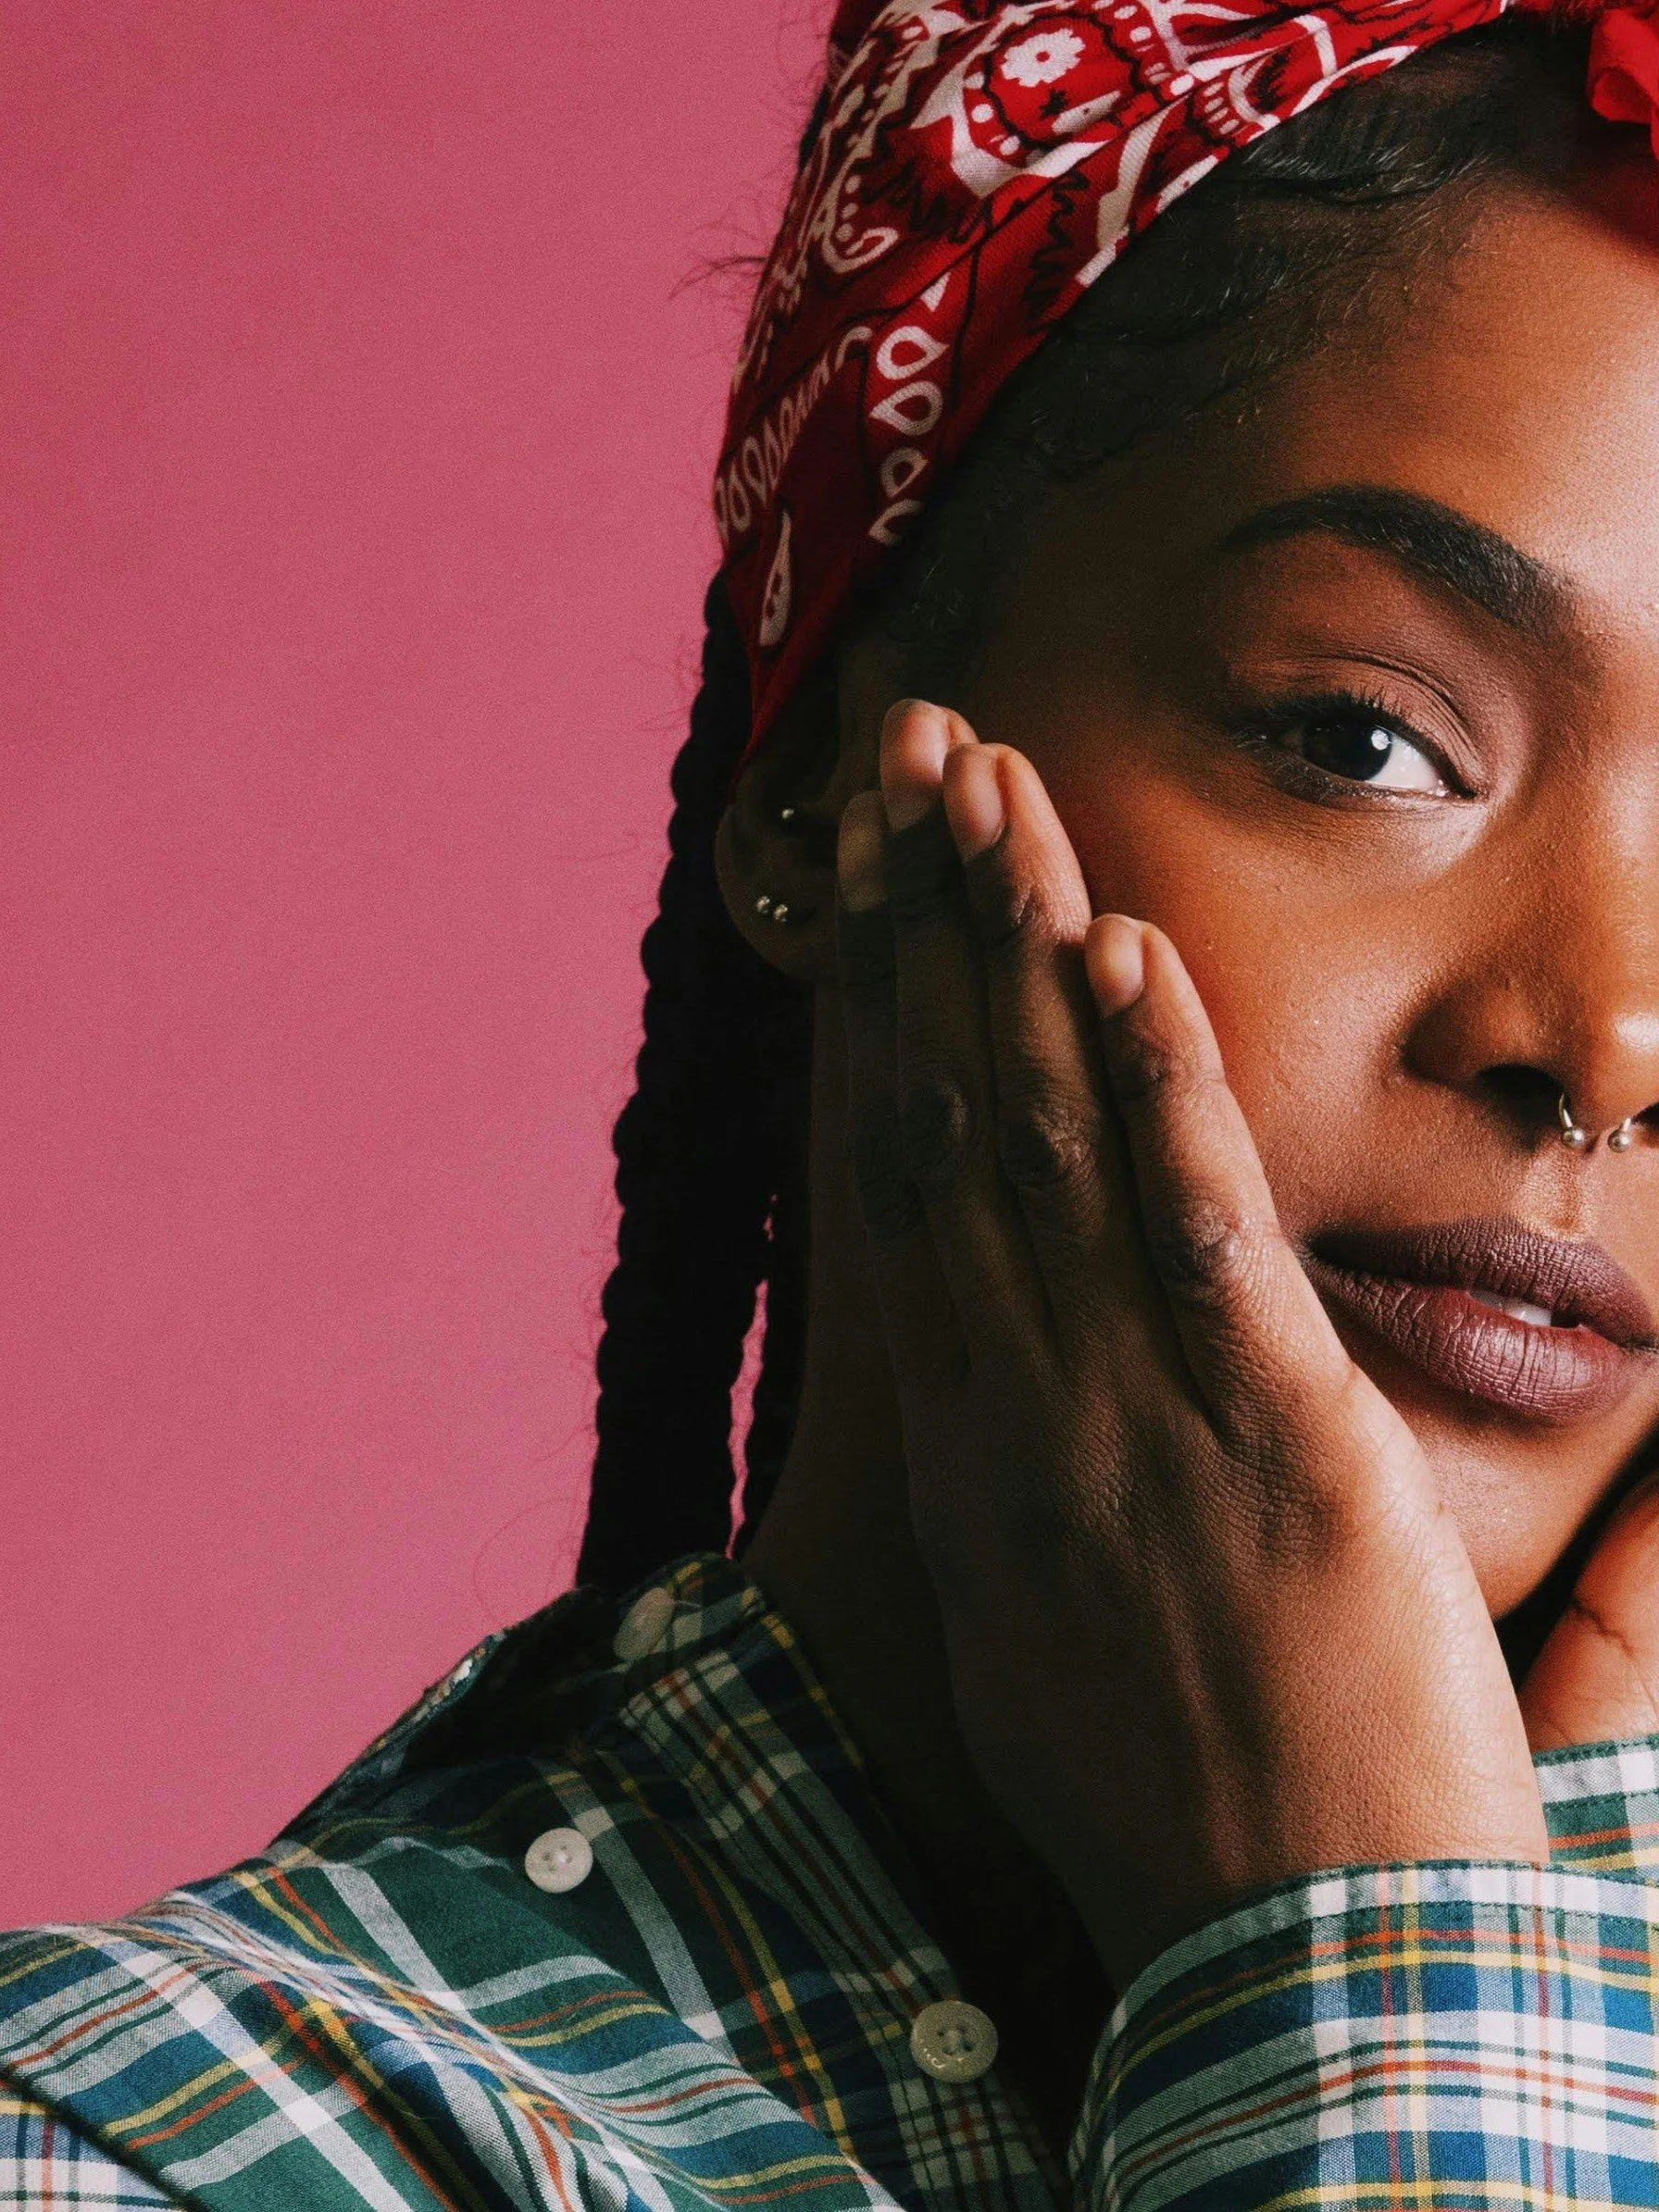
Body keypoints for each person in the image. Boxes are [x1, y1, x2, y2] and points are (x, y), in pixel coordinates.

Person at [9, 0, 1659, 2204]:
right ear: (819, 785)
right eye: (1361, 740)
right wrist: (1355, 1973)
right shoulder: (140, 2147)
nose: (1612, 1035)